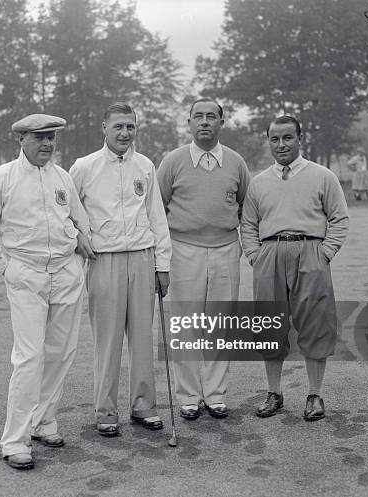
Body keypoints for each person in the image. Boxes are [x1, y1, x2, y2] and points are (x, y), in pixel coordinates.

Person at [0, 114, 94, 471]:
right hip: (26, 274)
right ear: (20, 139)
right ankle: (15, 440)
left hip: (66, 272)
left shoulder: (61, 176)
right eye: (39, 137)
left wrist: (82, 237)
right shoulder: (2, 178)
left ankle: (44, 421)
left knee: (62, 351)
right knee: (30, 356)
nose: (47, 144)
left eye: (51, 138)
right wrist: (6, 266)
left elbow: (77, 216)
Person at [69, 102, 172, 437]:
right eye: (118, 127)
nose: (125, 133)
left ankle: (144, 407)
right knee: (108, 340)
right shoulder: (84, 168)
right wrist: (77, 236)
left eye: (130, 126)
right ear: (104, 127)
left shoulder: (144, 165)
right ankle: (106, 410)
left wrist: (163, 264)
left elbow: (156, 215)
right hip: (104, 260)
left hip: (142, 257)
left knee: (143, 337)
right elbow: (67, 213)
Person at [241, 115, 349, 422]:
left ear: (299, 139)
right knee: (269, 324)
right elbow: (248, 223)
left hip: (310, 251)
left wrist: (324, 253)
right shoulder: (259, 182)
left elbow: (339, 218)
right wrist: (254, 255)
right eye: (274, 139)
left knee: (315, 322)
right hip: (269, 254)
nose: (281, 145)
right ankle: (274, 392)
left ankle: (314, 395)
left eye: (287, 138)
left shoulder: (322, 176)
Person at [157, 98, 251, 421]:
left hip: (226, 248)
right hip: (183, 248)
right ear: (188, 123)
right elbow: (158, 208)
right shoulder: (173, 161)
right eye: (198, 117)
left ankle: (215, 394)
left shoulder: (236, 162)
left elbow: (244, 206)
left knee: (221, 323)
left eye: (212, 116)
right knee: (186, 324)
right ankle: (188, 396)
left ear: (222, 122)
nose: (205, 122)